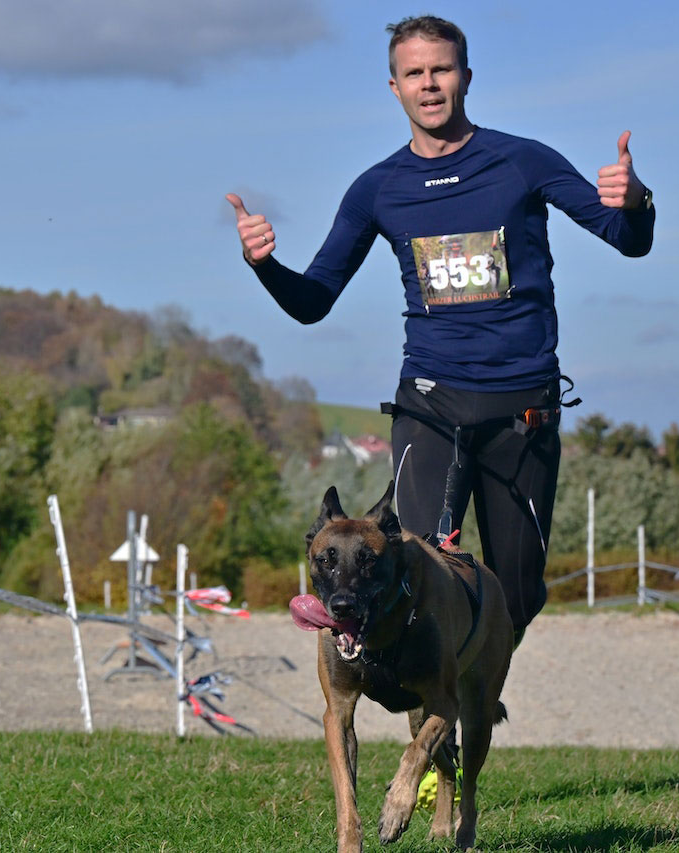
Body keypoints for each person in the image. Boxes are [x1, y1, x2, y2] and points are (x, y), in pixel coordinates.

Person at [227, 15, 654, 647]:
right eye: (414, 73)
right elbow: (312, 302)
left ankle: (473, 682)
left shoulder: (522, 161)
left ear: (466, 78)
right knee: (416, 573)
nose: (428, 84)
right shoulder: (377, 188)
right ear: (395, 87)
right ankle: (426, 697)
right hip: (430, 403)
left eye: (441, 70)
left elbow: (628, 240)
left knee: (516, 595)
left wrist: (637, 200)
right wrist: (264, 266)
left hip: (522, 407)